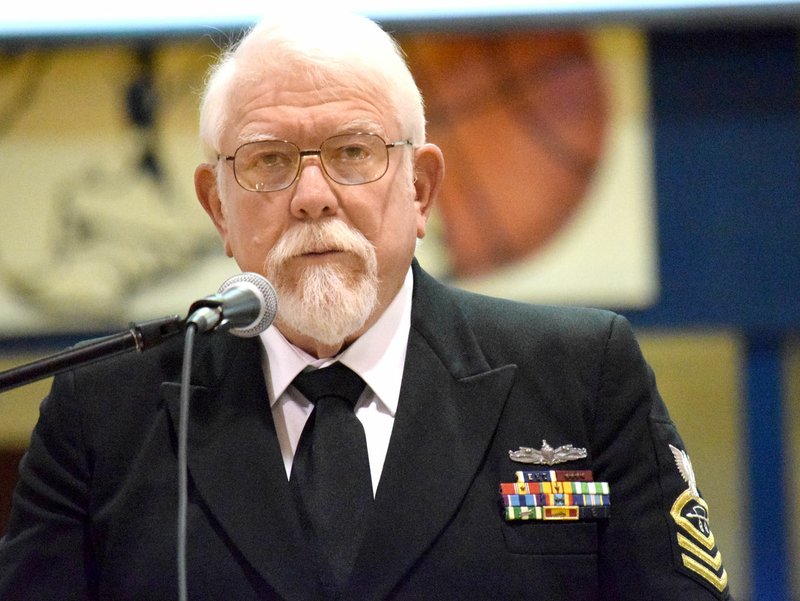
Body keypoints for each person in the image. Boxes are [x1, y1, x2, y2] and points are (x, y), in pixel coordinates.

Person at [0, 9, 731, 601]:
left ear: (420, 188)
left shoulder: (579, 378)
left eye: (353, 152)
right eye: (269, 161)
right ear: (217, 207)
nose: (313, 195)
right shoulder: (99, 417)